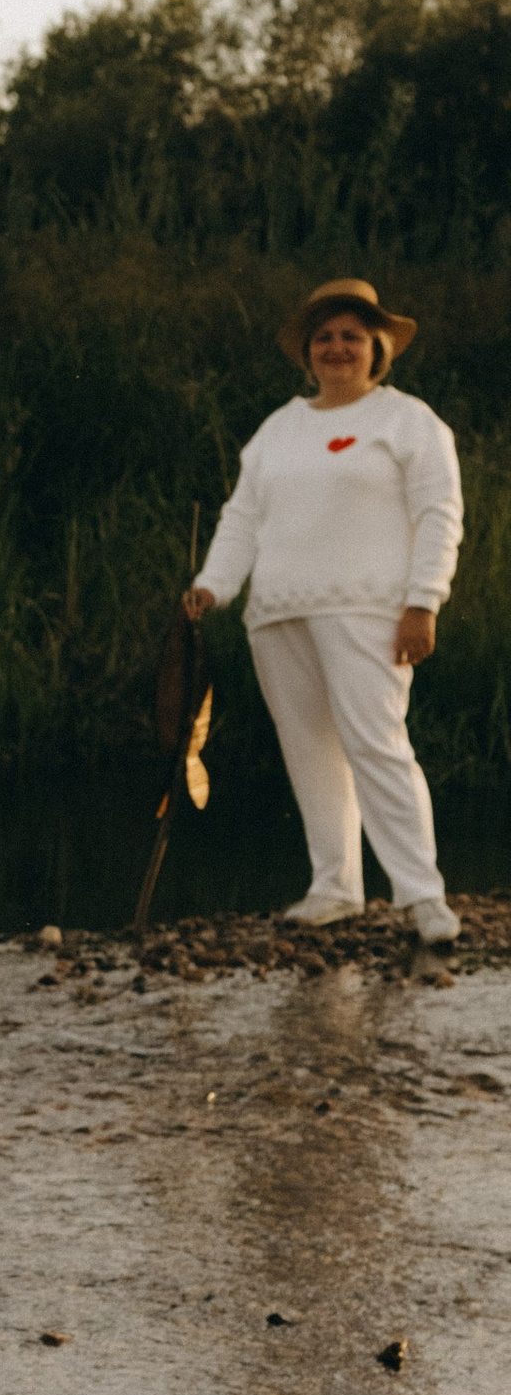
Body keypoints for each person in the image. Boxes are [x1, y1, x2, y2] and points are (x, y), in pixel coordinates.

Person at [185, 278, 464, 943]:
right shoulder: (278, 428)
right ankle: (334, 887)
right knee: (310, 749)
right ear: (306, 353)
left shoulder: (407, 420)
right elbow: (242, 517)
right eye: (324, 338)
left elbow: (438, 515)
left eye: (351, 336)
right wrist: (214, 585)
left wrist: (423, 601)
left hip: (369, 610)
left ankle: (423, 896)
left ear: (377, 349)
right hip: (277, 614)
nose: (337, 348)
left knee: (377, 744)